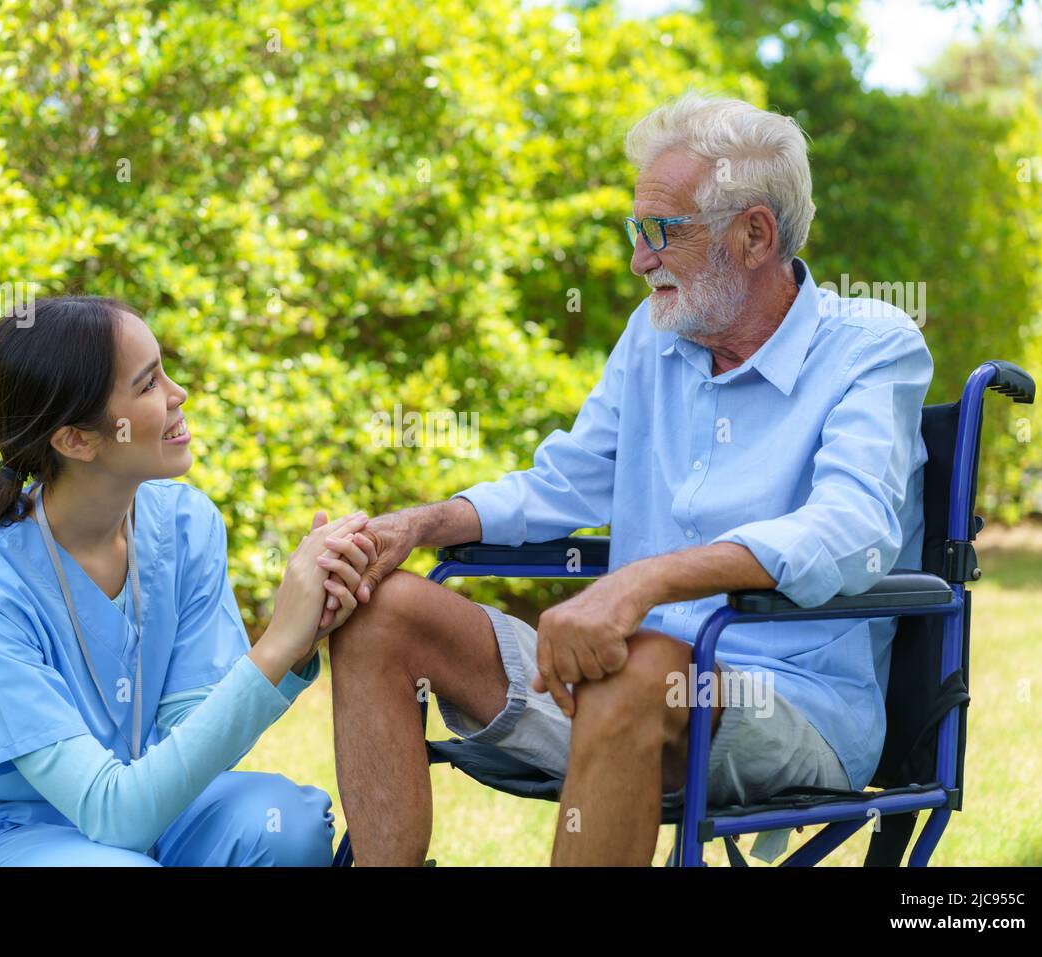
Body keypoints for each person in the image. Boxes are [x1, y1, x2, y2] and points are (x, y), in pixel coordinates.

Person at [322, 93, 934, 865]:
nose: (640, 258)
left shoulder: (871, 346)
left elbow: (851, 530)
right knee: (384, 611)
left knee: (638, 666)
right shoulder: (654, 336)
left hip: (790, 703)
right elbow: (562, 482)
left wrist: (643, 581)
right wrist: (416, 525)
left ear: (754, 234)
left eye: (659, 232)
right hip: (618, 679)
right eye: (634, 231)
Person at [0, 295, 376, 866]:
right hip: (16, 839)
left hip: (150, 813)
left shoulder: (185, 525)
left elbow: (195, 735)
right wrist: (276, 645)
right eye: (147, 385)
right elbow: (113, 813)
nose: (177, 395)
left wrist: (302, 636)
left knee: (285, 825)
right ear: (76, 440)